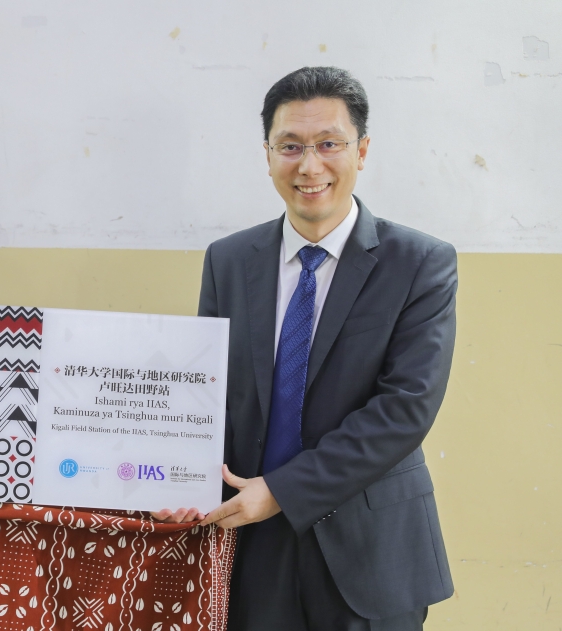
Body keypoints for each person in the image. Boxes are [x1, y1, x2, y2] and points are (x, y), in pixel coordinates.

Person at [156, 67, 456, 630]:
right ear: (267, 154)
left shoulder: (420, 263)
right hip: (249, 539)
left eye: (329, 144)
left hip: (370, 549)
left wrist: (283, 491)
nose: (309, 165)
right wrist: (180, 478)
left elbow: (406, 408)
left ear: (362, 151)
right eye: (290, 146)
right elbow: (207, 391)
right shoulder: (229, 259)